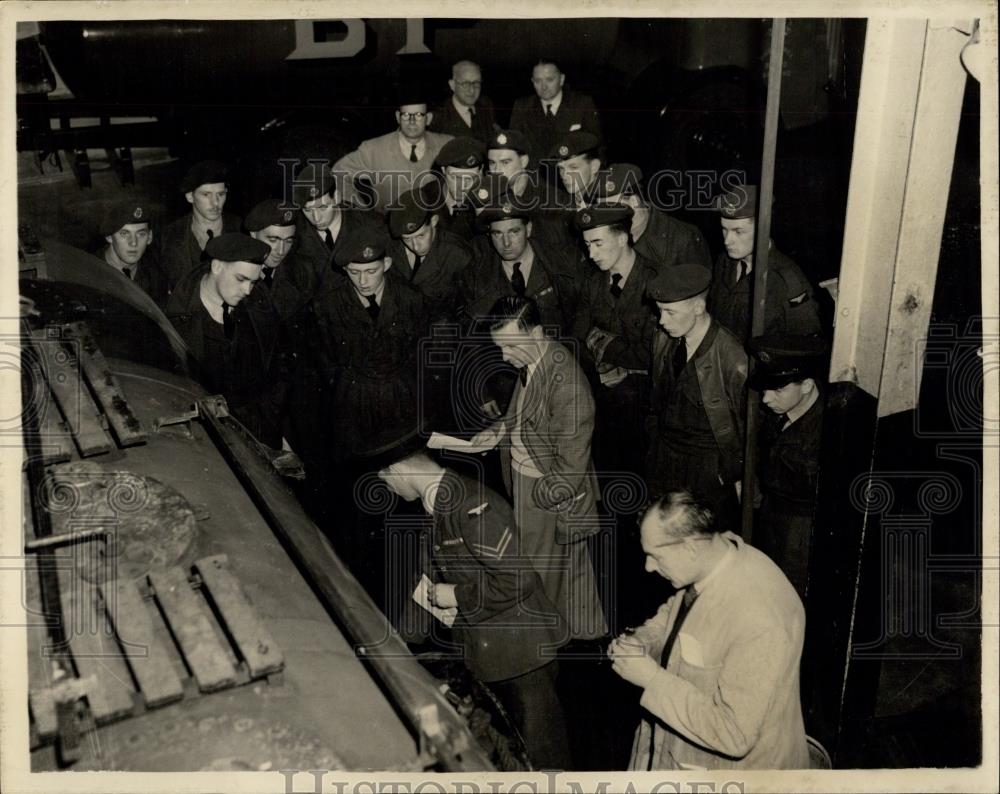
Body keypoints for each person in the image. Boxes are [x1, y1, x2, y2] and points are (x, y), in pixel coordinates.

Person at [377, 439, 571, 769]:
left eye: (385, 480)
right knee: (512, 756)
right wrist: (400, 644)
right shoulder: (439, 503)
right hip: (492, 651)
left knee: (544, 764)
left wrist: (456, 596)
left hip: (521, 655)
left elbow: (517, 579)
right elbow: (428, 573)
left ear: (396, 470)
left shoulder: (471, 505)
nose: (389, 489)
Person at [609, 490, 809, 770]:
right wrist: (644, 640)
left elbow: (734, 734)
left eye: (655, 556)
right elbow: (676, 613)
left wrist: (652, 679)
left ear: (690, 547)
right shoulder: (714, 560)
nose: (648, 567)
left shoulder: (760, 617)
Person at [472, 295, 607, 642]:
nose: (504, 357)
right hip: (530, 481)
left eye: (510, 346)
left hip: (545, 491)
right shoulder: (535, 358)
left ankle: (546, 641)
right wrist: (501, 430)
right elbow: (523, 412)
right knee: (567, 569)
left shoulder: (568, 385)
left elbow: (570, 467)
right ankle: (583, 633)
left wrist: (541, 506)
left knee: (537, 573)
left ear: (536, 333)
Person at [647, 264, 746, 532]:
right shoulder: (665, 339)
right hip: (666, 460)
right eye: (659, 311)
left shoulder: (732, 359)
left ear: (698, 307)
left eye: (670, 312)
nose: (662, 320)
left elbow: (746, 428)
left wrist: (731, 475)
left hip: (706, 470)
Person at [165, 233, 287, 448]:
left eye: (253, 282)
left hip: (258, 432)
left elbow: (276, 371)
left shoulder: (260, 304)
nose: (247, 290)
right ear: (217, 266)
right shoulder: (173, 319)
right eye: (241, 279)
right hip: (205, 439)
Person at [570, 203, 658, 475]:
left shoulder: (655, 282)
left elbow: (652, 355)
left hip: (643, 411)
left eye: (598, 243)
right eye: (587, 245)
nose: (591, 254)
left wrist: (602, 343)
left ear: (622, 238)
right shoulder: (593, 281)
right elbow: (577, 335)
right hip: (601, 404)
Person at [748, 334, 828, 601]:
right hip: (770, 522)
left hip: (801, 538)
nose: (765, 399)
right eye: (765, 388)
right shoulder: (777, 412)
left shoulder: (829, 429)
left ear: (806, 385)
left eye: (778, 389)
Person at [708, 184, 822, 344]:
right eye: (724, 230)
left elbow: (806, 343)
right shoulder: (724, 262)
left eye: (738, 232)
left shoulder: (787, 279)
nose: (727, 240)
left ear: (764, 228)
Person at [334, 87, 453, 210]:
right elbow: (338, 173)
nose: (412, 121)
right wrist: (362, 213)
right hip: (388, 226)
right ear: (398, 117)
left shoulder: (446, 144)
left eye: (418, 115)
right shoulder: (374, 149)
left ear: (428, 118)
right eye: (406, 115)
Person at [589, 163, 712, 271]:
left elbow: (697, 293)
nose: (604, 217)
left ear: (633, 201)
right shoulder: (598, 239)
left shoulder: (683, 239)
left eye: (610, 208)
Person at [386, 187, 473, 324]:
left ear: (434, 221)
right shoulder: (392, 249)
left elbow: (469, 309)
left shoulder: (457, 254)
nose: (415, 246)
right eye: (407, 239)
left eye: (421, 235)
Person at [157, 160, 242, 294]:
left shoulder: (241, 230)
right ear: (190, 196)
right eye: (206, 194)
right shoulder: (169, 235)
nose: (215, 203)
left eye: (221, 194)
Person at [510, 59, 602, 173]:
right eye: (538, 81)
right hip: (535, 180)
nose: (543, 86)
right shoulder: (522, 107)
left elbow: (598, 148)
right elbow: (514, 150)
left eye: (549, 80)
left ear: (562, 79)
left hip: (571, 179)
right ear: (532, 81)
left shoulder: (582, 104)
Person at [244, 198, 308, 321]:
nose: (281, 250)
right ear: (253, 234)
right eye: (273, 240)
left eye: (289, 240)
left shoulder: (302, 272)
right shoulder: (236, 274)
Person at [98, 200, 169, 306]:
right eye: (124, 234)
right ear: (109, 237)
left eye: (141, 234)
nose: (133, 243)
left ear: (149, 237)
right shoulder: (88, 272)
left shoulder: (156, 276)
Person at [429, 60, 498, 142]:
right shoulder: (438, 117)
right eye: (465, 84)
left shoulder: (486, 106)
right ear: (452, 85)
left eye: (476, 83)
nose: (472, 90)